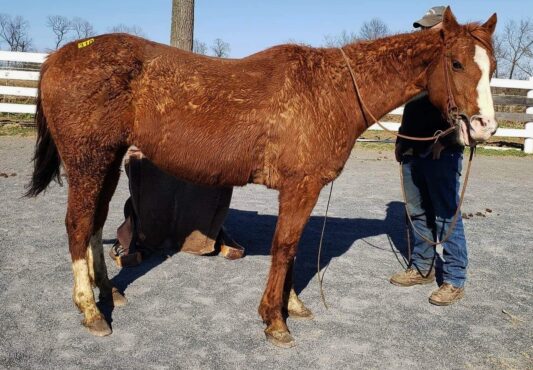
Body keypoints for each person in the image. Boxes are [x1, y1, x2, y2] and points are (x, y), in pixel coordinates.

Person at [389, 6, 467, 306]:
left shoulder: (454, 65)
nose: (422, 33)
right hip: (412, 147)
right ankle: (422, 267)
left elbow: (463, 108)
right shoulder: (422, 67)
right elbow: (412, 109)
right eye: (422, 28)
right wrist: (400, 141)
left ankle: (455, 278)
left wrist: (446, 141)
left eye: (428, 28)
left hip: (440, 151)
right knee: (417, 213)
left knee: (446, 214)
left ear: (442, 29)